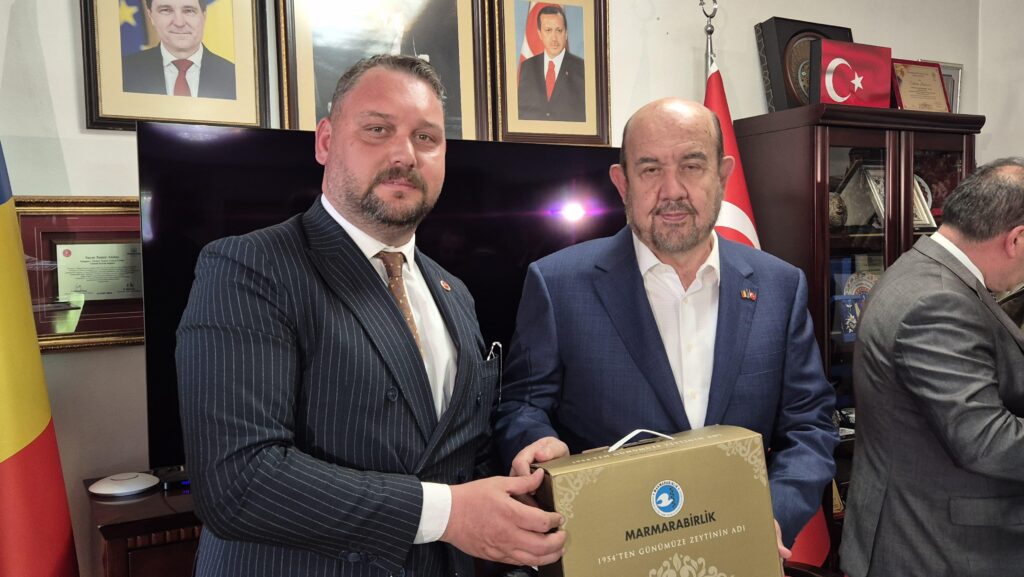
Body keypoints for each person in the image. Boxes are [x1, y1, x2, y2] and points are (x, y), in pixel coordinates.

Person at [176, 54, 565, 577]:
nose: (405, 154)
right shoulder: (249, 267)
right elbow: (238, 481)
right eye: (378, 129)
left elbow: (452, 457)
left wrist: (521, 462)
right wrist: (447, 514)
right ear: (325, 141)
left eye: (426, 137)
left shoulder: (456, 293)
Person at [493, 98, 838, 556]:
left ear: (723, 175)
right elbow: (522, 406)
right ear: (622, 183)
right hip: (611, 551)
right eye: (650, 169)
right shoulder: (557, 284)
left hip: (738, 548)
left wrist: (769, 515)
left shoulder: (780, 285)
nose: (672, 190)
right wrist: (536, 442)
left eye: (692, 166)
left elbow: (810, 425)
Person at [840, 158, 1024, 576]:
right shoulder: (938, 300)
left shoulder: (922, 268)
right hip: (939, 549)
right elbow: (987, 441)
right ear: (1016, 239)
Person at [122, 0, 236, 99]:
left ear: (204, 16)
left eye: (189, 11)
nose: (179, 23)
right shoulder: (123, 72)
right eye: (166, 10)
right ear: (151, 16)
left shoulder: (234, 77)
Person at [517, 4, 585, 122]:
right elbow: (521, 114)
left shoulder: (582, 69)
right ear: (540, 34)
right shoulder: (527, 67)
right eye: (548, 30)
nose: (554, 38)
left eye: (559, 30)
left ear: (566, 33)